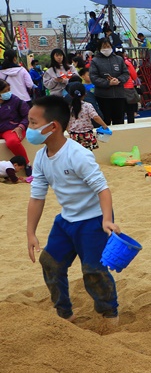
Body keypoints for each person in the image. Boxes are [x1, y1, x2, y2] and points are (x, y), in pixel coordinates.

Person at [26, 96, 121, 329]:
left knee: (93, 270)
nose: (29, 129)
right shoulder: (40, 158)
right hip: (66, 221)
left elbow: (103, 188)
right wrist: (31, 232)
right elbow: (37, 196)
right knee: (49, 262)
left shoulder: (78, 155)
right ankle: (65, 314)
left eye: (33, 123)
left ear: (53, 126)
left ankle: (109, 314)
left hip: (93, 221)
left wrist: (107, 220)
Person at [89, 38, 130, 125]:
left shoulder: (119, 59)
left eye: (108, 46)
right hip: (103, 97)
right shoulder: (95, 61)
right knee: (105, 121)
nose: (106, 49)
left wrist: (119, 80)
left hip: (119, 95)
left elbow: (126, 73)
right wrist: (108, 83)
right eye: (104, 47)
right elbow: (93, 77)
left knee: (119, 121)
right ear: (99, 48)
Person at [65, 82, 108, 150]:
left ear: (70, 95)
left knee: (76, 154)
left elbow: (65, 121)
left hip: (74, 135)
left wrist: (69, 132)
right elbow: (95, 117)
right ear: (85, 94)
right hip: (86, 135)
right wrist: (104, 126)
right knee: (87, 154)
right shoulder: (88, 106)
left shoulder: (68, 108)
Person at [0, 78, 31, 165]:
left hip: (12, 129)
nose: (8, 92)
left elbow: (27, 116)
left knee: (12, 142)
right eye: (5, 91)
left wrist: (20, 127)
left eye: (9, 90)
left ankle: (26, 164)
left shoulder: (16, 101)